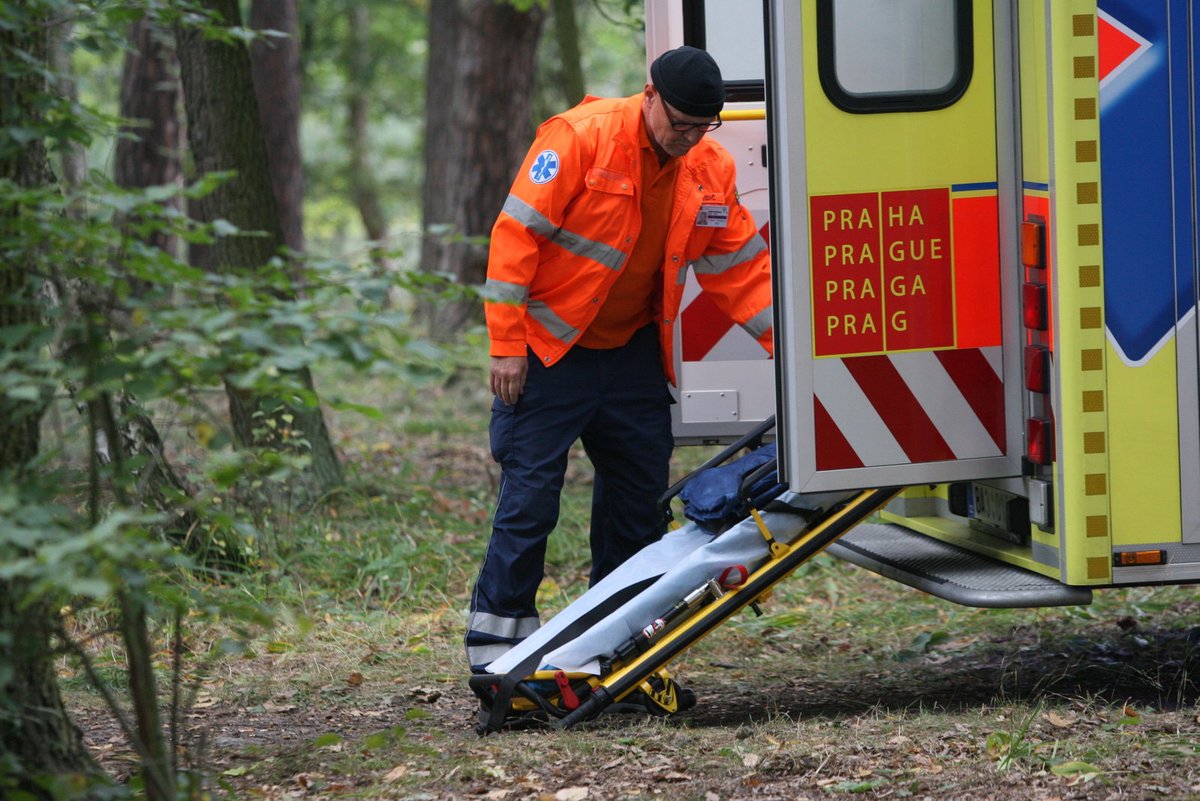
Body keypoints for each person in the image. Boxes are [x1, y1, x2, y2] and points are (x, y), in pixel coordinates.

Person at [465, 46, 774, 673]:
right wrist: (506, 345)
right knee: (530, 505)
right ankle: (496, 653)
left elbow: (741, 270)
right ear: (650, 96)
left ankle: (616, 645)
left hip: (632, 354)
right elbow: (514, 237)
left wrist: (800, 353)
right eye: (679, 123)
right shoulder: (580, 137)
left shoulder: (707, 167)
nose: (688, 138)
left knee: (636, 508)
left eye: (702, 127)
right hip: (551, 353)